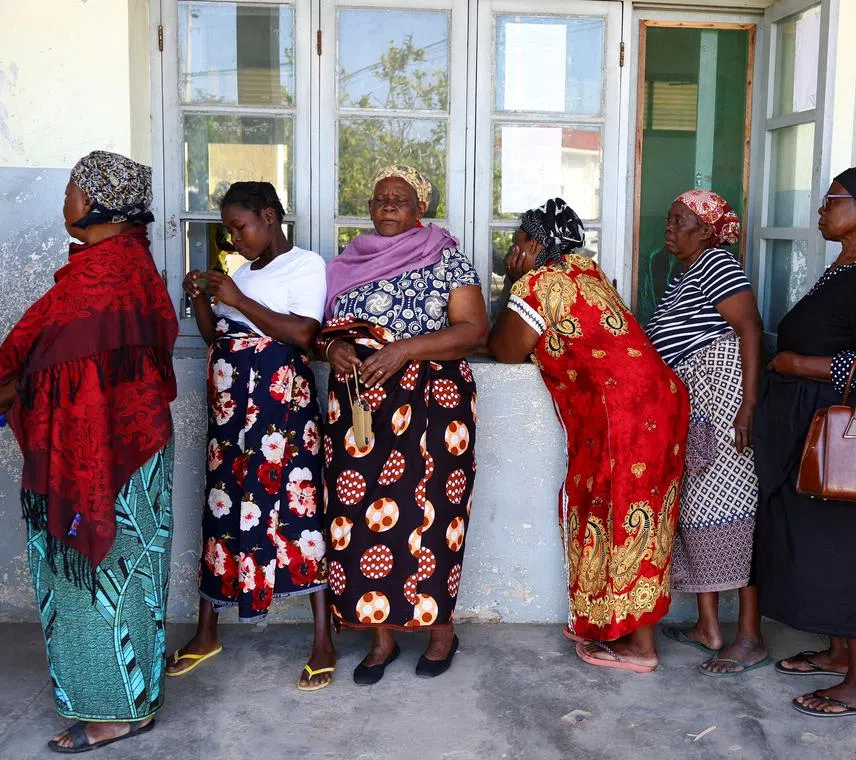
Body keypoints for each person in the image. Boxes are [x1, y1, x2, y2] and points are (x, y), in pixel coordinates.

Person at [0, 151, 178, 752]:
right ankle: (133, 701)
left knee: (103, 579)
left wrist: (16, 385)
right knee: (127, 574)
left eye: (74, 187)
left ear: (101, 200)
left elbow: (44, 358)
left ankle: (117, 711)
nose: (66, 199)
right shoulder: (121, 263)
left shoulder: (103, 276)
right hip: (129, 446)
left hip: (104, 455)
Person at [488, 198, 689, 673]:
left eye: (518, 243)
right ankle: (603, 622)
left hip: (619, 414)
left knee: (618, 518)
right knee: (636, 517)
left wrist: (512, 284)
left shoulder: (539, 284)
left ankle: (640, 648)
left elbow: (507, 350)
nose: (513, 251)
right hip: (658, 402)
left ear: (536, 244)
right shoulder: (589, 274)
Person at [317, 164, 487, 683]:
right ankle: (381, 638)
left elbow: (474, 330)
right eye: (380, 197)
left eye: (401, 198)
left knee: (435, 515)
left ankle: (441, 633)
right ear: (369, 208)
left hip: (434, 402)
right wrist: (333, 349)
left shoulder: (446, 258)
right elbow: (319, 332)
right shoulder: (344, 263)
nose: (388, 204)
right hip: (360, 407)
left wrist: (404, 350)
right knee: (361, 516)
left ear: (420, 211)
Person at [752, 166, 856, 715]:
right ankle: (841, 653)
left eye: (831, 201)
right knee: (826, 541)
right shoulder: (849, 265)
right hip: (820, 422)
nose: (821, 211)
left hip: (853, 432)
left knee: (853, 546)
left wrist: (801, 363)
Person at [169, 181, 336, 690]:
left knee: (298, 512)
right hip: (229, 411)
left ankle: (323, 641)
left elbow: (304, 334)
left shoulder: (306, 265)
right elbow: (215, 335)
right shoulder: (243, 271)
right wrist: (201, 299)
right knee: (222, 508)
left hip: (279, 411)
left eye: (240, 227)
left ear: (269, 217)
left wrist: (235, 296)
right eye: (228, 230)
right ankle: (206, 632)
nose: (234, 238)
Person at [644, 190, 766, 676]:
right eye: (670, 220)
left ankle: (750, 636)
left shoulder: (718, 264)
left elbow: (750, 329)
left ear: (708, 230)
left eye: (680, 221)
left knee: (732, 516)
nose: (669, 229)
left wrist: (749, 407)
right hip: (695, 410)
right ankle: (708, 627)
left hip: (723, 407)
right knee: (696, 516)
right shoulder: (686, 273)